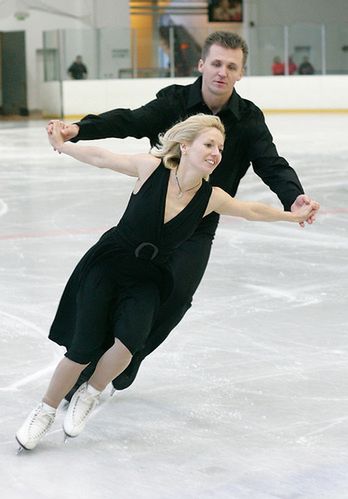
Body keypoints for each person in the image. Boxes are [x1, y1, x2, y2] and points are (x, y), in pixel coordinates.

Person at [15, 114, 318, 451]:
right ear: (185, 146)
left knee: (129, 345)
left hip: (148, 277)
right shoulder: (151, 168)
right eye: (209, 144)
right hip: (109, 264)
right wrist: (65, 146)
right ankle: (45, 411)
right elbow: (103, 158)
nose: (216, 152)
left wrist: (292, 215)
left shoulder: (211, 197)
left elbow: (251, 211)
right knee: (82, 350)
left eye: (220, 147)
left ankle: (91, 391)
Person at [48, 31, 320, 400]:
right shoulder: (174, 101)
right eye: (217, 63)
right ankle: (89, 362)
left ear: (241, 73)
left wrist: (294, 198)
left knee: (175, 299)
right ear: (202, 64)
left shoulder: (249, 118)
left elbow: (271, 164)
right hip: (151, 218)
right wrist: (79, 130)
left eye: (232, 66)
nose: (222, 72)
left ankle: (126, 359)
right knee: (121, 287)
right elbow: (128, 122)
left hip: (199, 225)